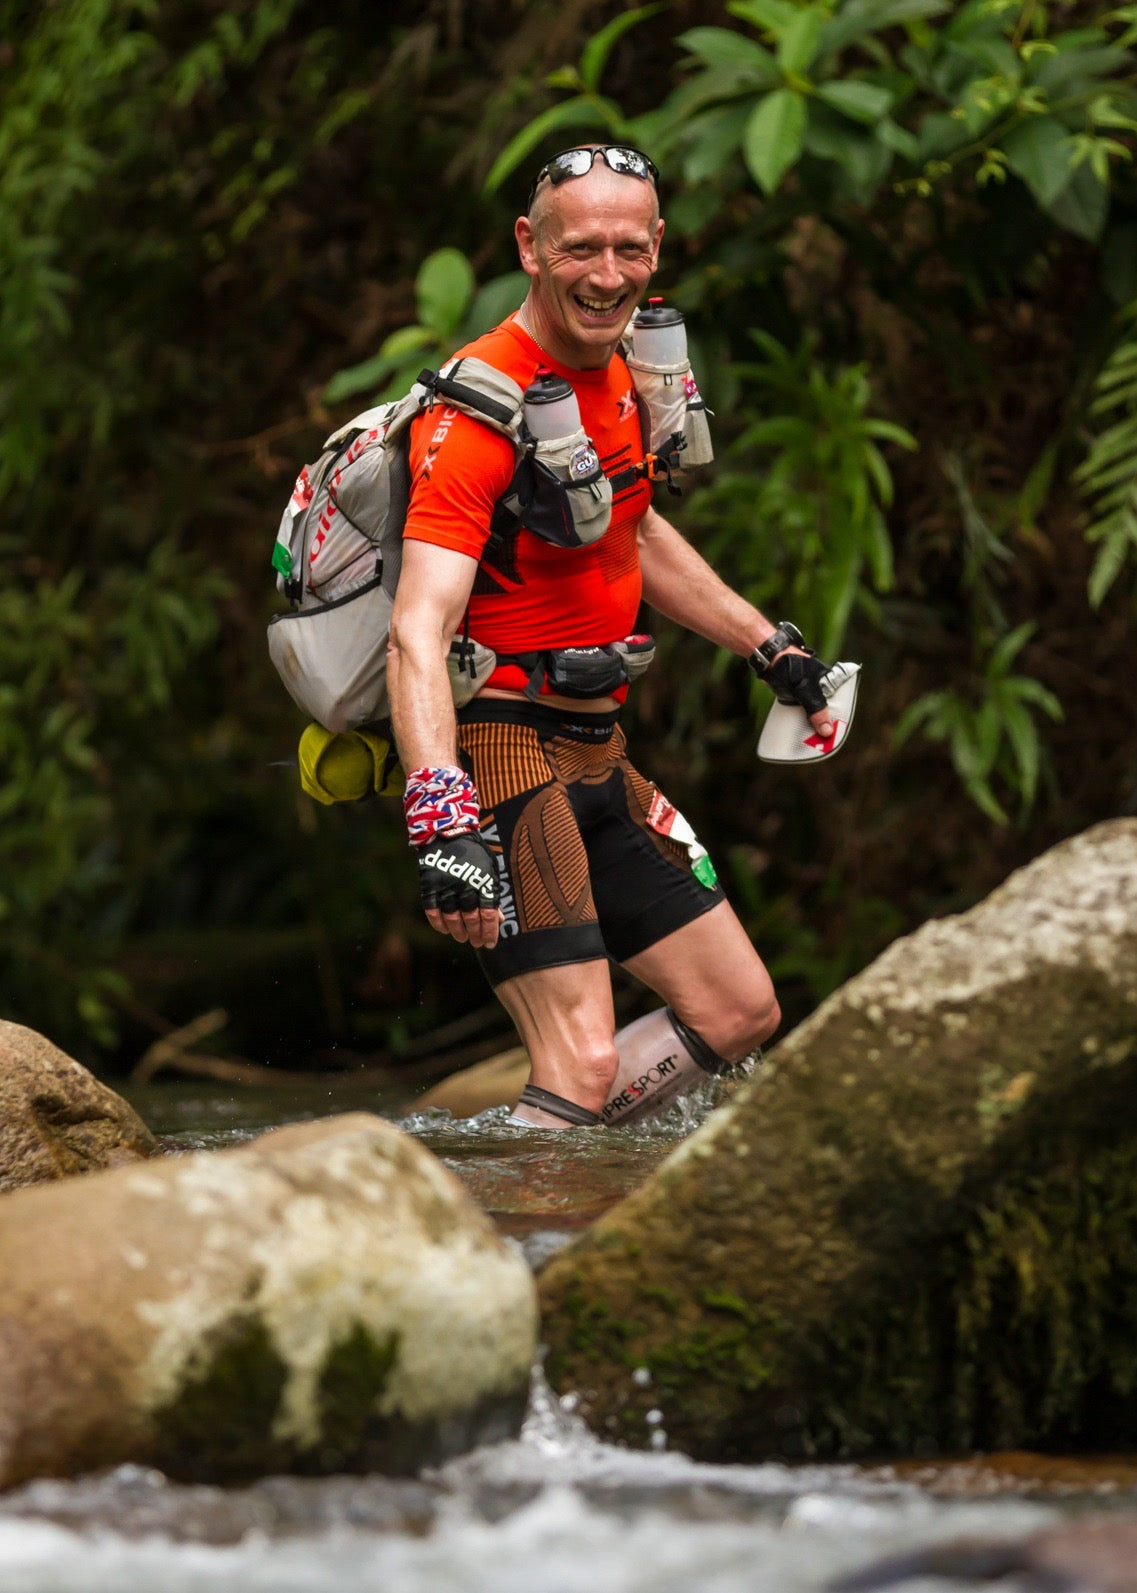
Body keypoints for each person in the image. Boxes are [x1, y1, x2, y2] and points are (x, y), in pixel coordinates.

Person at [387, 144, 836, 1129]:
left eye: (629, 248)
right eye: (580, 247)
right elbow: (417, 628)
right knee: (582, 1059)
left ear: (659, 245)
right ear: (529, 247)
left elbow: (632, 523)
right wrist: (441, 816)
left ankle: (531, 1162)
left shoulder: (625, 371)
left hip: (600, 753)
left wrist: (770, 647)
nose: (606, 274)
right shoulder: (480, 408)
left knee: (738, 1010)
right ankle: (531, 1252)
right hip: (499, 751)